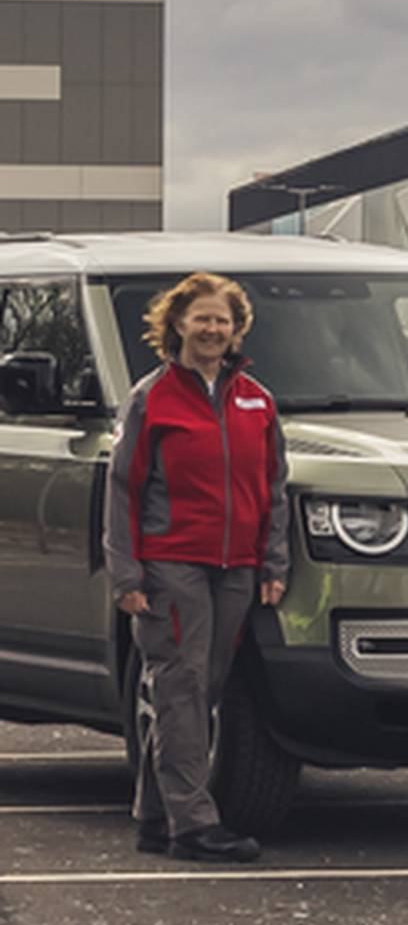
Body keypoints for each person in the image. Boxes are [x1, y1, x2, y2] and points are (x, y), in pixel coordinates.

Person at [107, 271, 289, 864]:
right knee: (181, 688)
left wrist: (272, 563)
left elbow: (274, 487)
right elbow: (124, 489)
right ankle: (194, 824)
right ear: (177, 323)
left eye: (223, 320)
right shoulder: (152, 398)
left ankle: (155, 817)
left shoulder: (257, 400)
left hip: (236, 567)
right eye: (201, 318)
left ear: (236, 330)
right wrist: (127, 575)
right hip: (170, 566)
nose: (213, 329)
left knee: (198, 690)